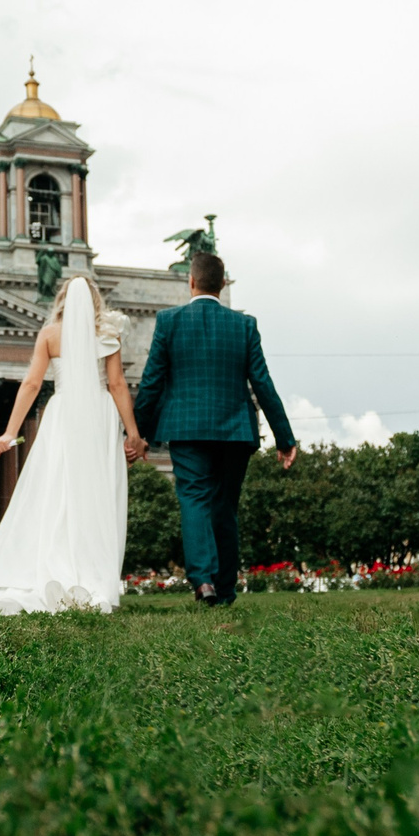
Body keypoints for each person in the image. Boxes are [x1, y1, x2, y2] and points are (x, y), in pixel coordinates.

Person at [0, 274, 145, 613]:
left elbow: (31, 384)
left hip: (63, 414)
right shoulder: (108, 334)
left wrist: (9, 433)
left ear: (62, 302)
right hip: (99, 416)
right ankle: (93, 575)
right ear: (95, 302)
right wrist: (132, 433)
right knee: (96, 494)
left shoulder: (49, 335)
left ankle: (52, 563)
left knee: (55, 490)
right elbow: (117, 385)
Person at [131, 252, 296, 607]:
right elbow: (262, 384)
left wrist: (138, 433)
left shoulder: (169, 322)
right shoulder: (245, 325)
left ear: (190, 282)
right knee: (225, 507)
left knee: (193, 499)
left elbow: (151, 383)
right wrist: (284, 438)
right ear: (222, 284)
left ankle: (203, 581)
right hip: (236, 431)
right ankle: (225, 590)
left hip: (187, 430)